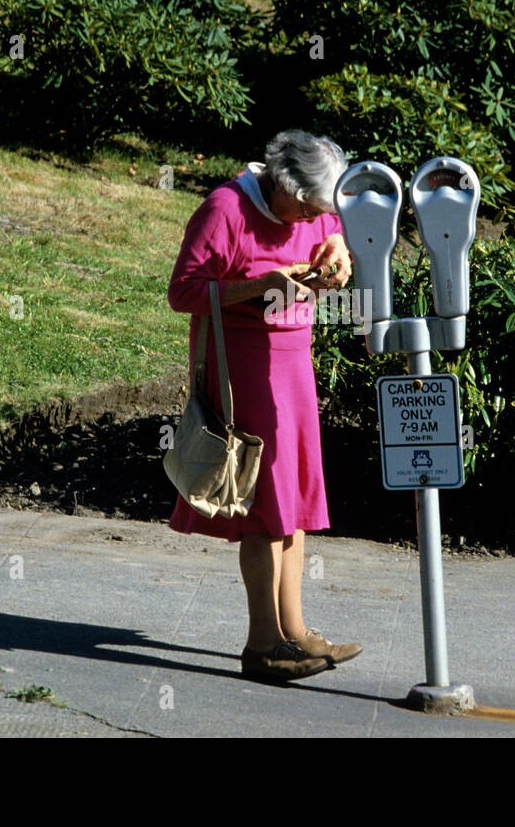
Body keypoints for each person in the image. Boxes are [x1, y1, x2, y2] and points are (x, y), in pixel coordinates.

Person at [167, 130, 363, 682]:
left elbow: (334, 242)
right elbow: (182, 292)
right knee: (263, 509)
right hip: (245, 368)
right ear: (281, 182)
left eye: (317, 211)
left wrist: (337, 259)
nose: (307, 220)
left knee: (293, 505)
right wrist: (257, 285)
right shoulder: (225, 210)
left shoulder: (312, 212)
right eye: (303, 207)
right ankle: (262, 645)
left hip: (295, 363)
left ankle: (295, 633)